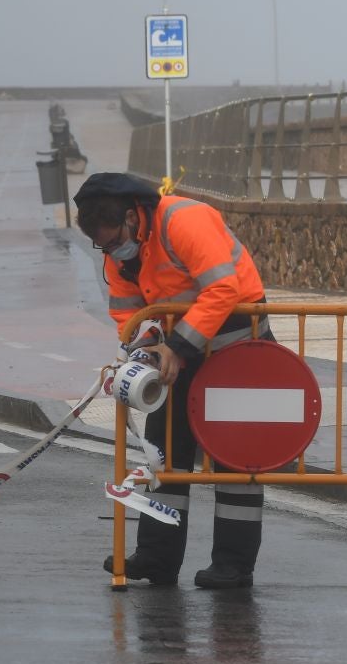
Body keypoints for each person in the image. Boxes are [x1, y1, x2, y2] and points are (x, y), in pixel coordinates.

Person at [74, 172, 272, 590]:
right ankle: (157, 557)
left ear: (132, 216)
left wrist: (176, 348)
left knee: (234, 455)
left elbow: (222, 288)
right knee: (163, 453)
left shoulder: (185, 220)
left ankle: (234, 567)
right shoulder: (119, 249)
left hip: (237, 344)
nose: (109, 252)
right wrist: (146, 348)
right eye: (102, 246)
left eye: (112, 241)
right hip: (175, 351)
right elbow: (128, 314)